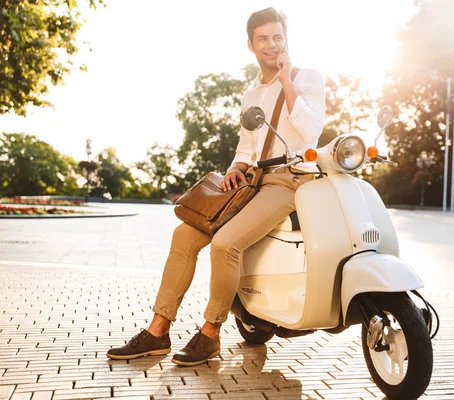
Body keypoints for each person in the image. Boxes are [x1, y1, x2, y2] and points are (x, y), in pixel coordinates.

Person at [106, 7, 325, 366]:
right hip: (251, 181)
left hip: (287, 182)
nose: (271, 45)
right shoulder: (250, 92)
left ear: (286, 40)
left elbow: (311, 131)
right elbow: (246, 145)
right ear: (251, 45)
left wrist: (287, 83)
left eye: (277, 37)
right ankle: (157, 330)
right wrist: (236, 167)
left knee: (224, 244)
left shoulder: (308, 77)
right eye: (263, 39)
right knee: (183, 236)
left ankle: (210, 334)